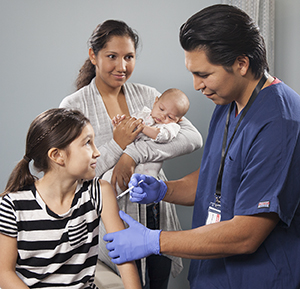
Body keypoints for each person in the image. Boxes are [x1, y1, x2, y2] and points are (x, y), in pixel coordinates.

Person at [102, 4, 300, 289]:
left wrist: (153, 241)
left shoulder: (280, 121)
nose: (196, 85)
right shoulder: (226, 101)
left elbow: (247, 235)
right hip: (212, 275)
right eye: (193, 74)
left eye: (204, 74)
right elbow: (215, 179)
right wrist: (164, 190)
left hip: (258, 278)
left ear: (241, 64)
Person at [59, 20, 202, 289]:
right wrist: (116, 145)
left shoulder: (150, 96)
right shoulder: (74, 105)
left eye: (129, 57)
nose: (122, 66)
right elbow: (73, 173)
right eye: (112, 56)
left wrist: (132, 154)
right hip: (110, 222)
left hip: (157, 214)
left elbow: (192, 138)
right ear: (93, 55)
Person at [0, 108, 141, 289]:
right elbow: (5, 273)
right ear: (57, 155)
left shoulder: (99, 192)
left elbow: (123, 254)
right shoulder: (12, 206)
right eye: (87, 143)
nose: (97, 152)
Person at [105, 87, 190, 180]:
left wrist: (143, 127)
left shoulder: (172, 127)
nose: (162, 116)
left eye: (170, 116)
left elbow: (161, 136)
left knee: (142, 184)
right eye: (161, 109)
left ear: (179, 120)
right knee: (110, 178)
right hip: (123, 158)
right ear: (155, 102)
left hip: (148, 166)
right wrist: (120, 124)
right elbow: (129, 127)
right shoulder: (143, 114)